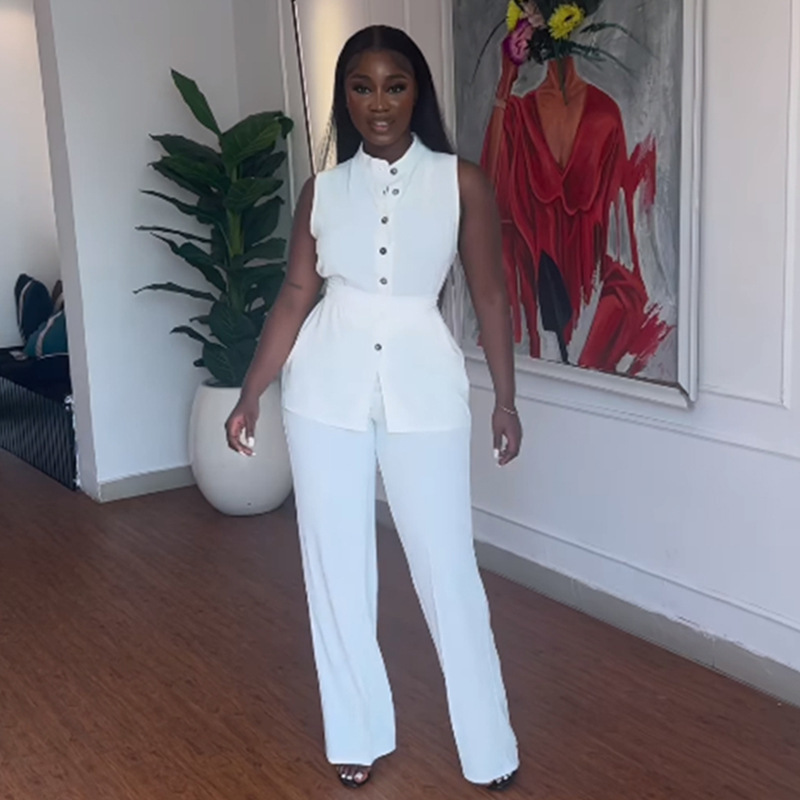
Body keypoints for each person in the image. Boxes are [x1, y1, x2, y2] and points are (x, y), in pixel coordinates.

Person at [225, 24, 521, 791]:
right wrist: (253, 390)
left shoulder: (461, 183)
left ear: (417, 92)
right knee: (335, 568)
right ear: (345, 97)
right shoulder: (323, 192)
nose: (378, 103)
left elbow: (490, 295)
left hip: (426, 388)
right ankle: (355, 731)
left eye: (395, 86)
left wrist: (506, 398)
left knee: (448, 568)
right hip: (323, 390)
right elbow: (296, 294)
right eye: (362, 87)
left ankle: (489, 747)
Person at [481, 1, 669, 373]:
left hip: (591, 310)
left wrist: (590, 349)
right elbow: (489, 196)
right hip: (534, 321)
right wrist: (506, 79)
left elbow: (622, 249)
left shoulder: (605, 116)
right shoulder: (518, 115)